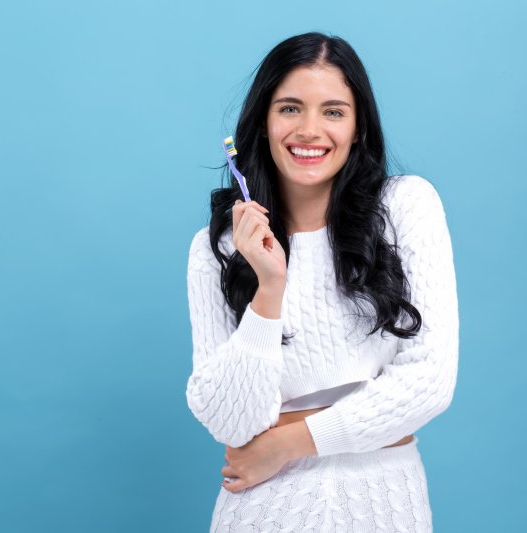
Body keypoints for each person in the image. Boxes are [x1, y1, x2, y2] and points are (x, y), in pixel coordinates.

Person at [185, 31, 458, 532]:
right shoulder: (218, 248)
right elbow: (231, 423)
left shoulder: (405, 208)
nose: (310, 130)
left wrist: (283, 442)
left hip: (385, 507)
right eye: (290, 108)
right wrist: (269, 289)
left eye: (333, 111)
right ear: (263, 123)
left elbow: (428, 384)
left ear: (358, 128)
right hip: (261, 513)